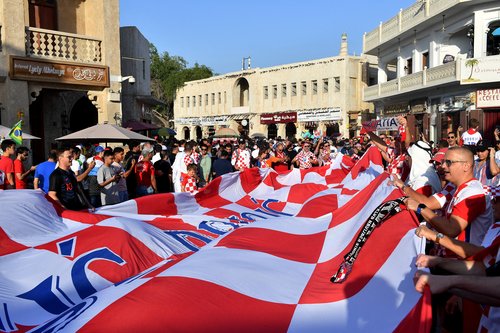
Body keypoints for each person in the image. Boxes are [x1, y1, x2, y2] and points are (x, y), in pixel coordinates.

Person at [405, 147, 493, 247]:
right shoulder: (456, 187)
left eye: (449, 162)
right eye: (443, 162)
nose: (443, 166)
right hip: (452, 258)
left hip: (465, 261)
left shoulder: (472, 192)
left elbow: (451, 229)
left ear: (466, 166)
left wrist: (421, 208)